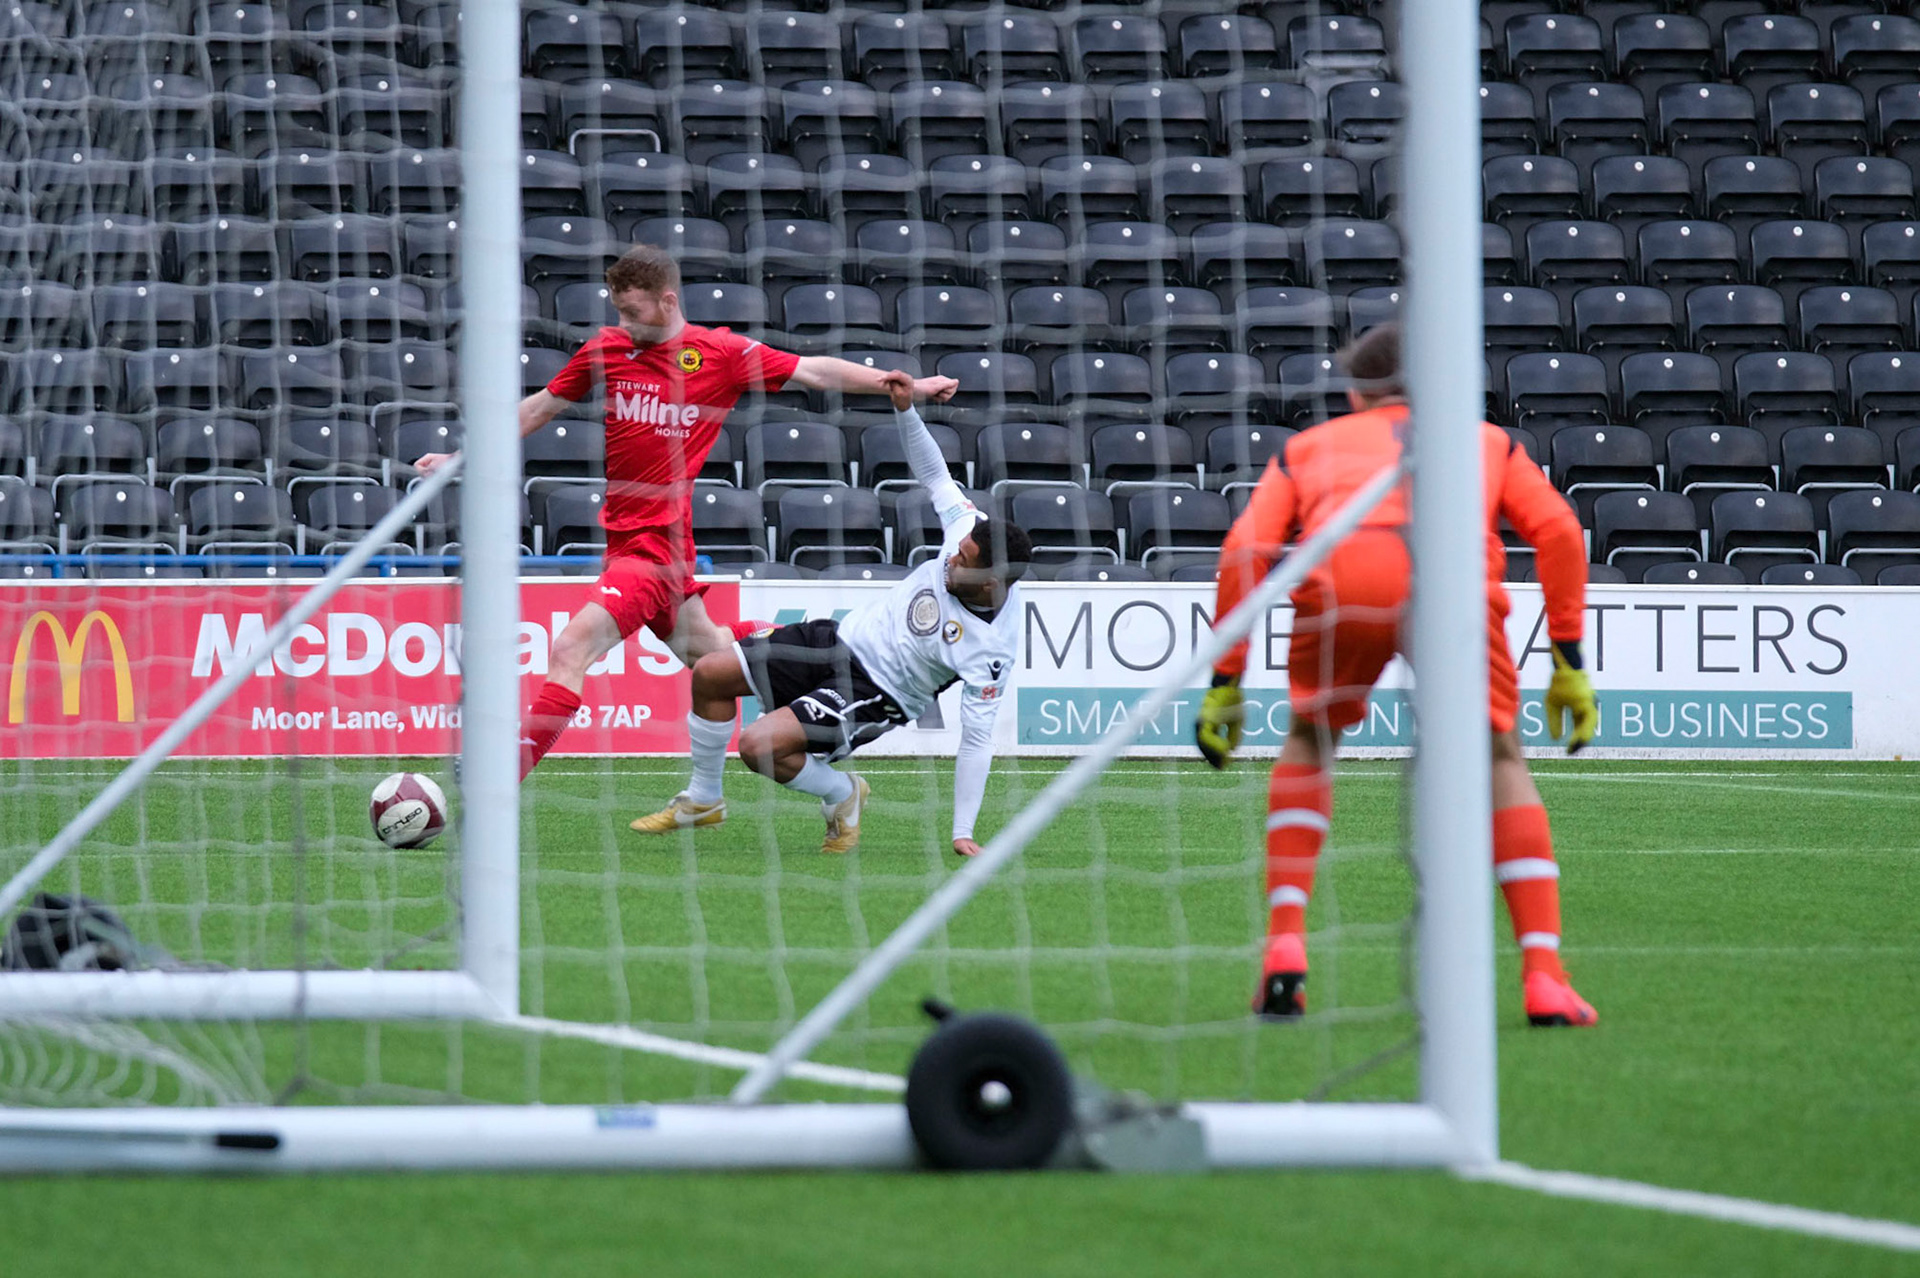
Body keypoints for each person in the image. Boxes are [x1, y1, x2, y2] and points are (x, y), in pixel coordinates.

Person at [415, 244, 959, 778]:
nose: (623, 321)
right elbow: (537, 408)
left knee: (570, 648)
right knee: (713, 655)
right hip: (625, 542)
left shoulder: (717, 354)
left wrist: (900, 383)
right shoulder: (606, 349)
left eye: (633, 311)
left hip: (657, 545)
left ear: (668, 300)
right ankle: (823, 649)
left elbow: (812, 371)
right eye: (618, 311)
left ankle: (499, 778)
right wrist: (459, 457)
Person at [1194, 322, 1601, 1027]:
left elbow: (1244, 549)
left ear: (1356, 390)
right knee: (1499, 754)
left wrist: (1226, 679)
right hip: (1452, 588)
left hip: (1343, 587)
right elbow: (1561, 533)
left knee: (1312, 738)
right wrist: (1567, 659)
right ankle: (1543, 975)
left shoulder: (1308, 447)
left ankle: (1285, 944)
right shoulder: (1486, 440)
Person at [632, 370, 1032, 856]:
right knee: (711, 672)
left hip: (875, 691)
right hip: (837, 639)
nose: (951, 558)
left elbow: (976, 740)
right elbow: (935, 475)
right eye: (957, 549)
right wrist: (906, 409)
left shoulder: (991, 649)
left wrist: (961, 830)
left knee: (757, 747)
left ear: (990, 583)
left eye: (963, 561)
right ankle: (703, 800)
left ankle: (842, 793)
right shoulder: (967, 531)